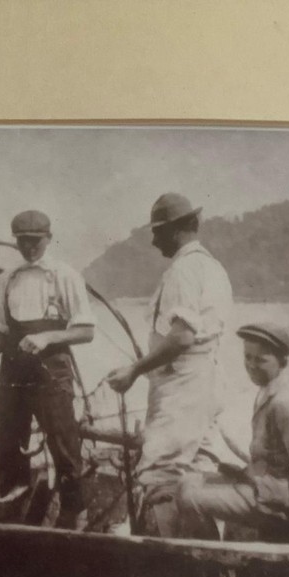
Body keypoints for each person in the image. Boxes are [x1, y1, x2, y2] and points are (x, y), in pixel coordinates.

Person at [106, 193, 233, 536]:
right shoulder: (213, 267)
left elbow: (181, 337)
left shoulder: (183, 270)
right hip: (207, 382)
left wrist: (135, 370)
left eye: (157, 232)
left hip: (182, 387)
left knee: (161, 472)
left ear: (175, 230)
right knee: (200, 469)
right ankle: (207, 551)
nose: (153, 241)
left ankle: (167, 554)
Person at [0, 210, 95, 531]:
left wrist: (47, 337)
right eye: (23, 241)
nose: (30, 247)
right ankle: (12, 516)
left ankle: (74, 517)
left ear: (49, 238)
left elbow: (86, 331)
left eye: (36, 241)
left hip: (51, 375)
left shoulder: (64, 275)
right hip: (13, 375)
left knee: (64, 446)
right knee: (8, 446)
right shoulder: (8, 279)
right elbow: (1, 334)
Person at [175, 322, 289, 544]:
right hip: (261, 488)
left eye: (261, 360)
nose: (251, 365)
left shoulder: (286, 403)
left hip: (275, 504)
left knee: (189, 497)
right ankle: (211, 545)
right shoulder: (267, 392)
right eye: (247, 357)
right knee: (188, 480)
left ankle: (207, 556)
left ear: (282, 362)